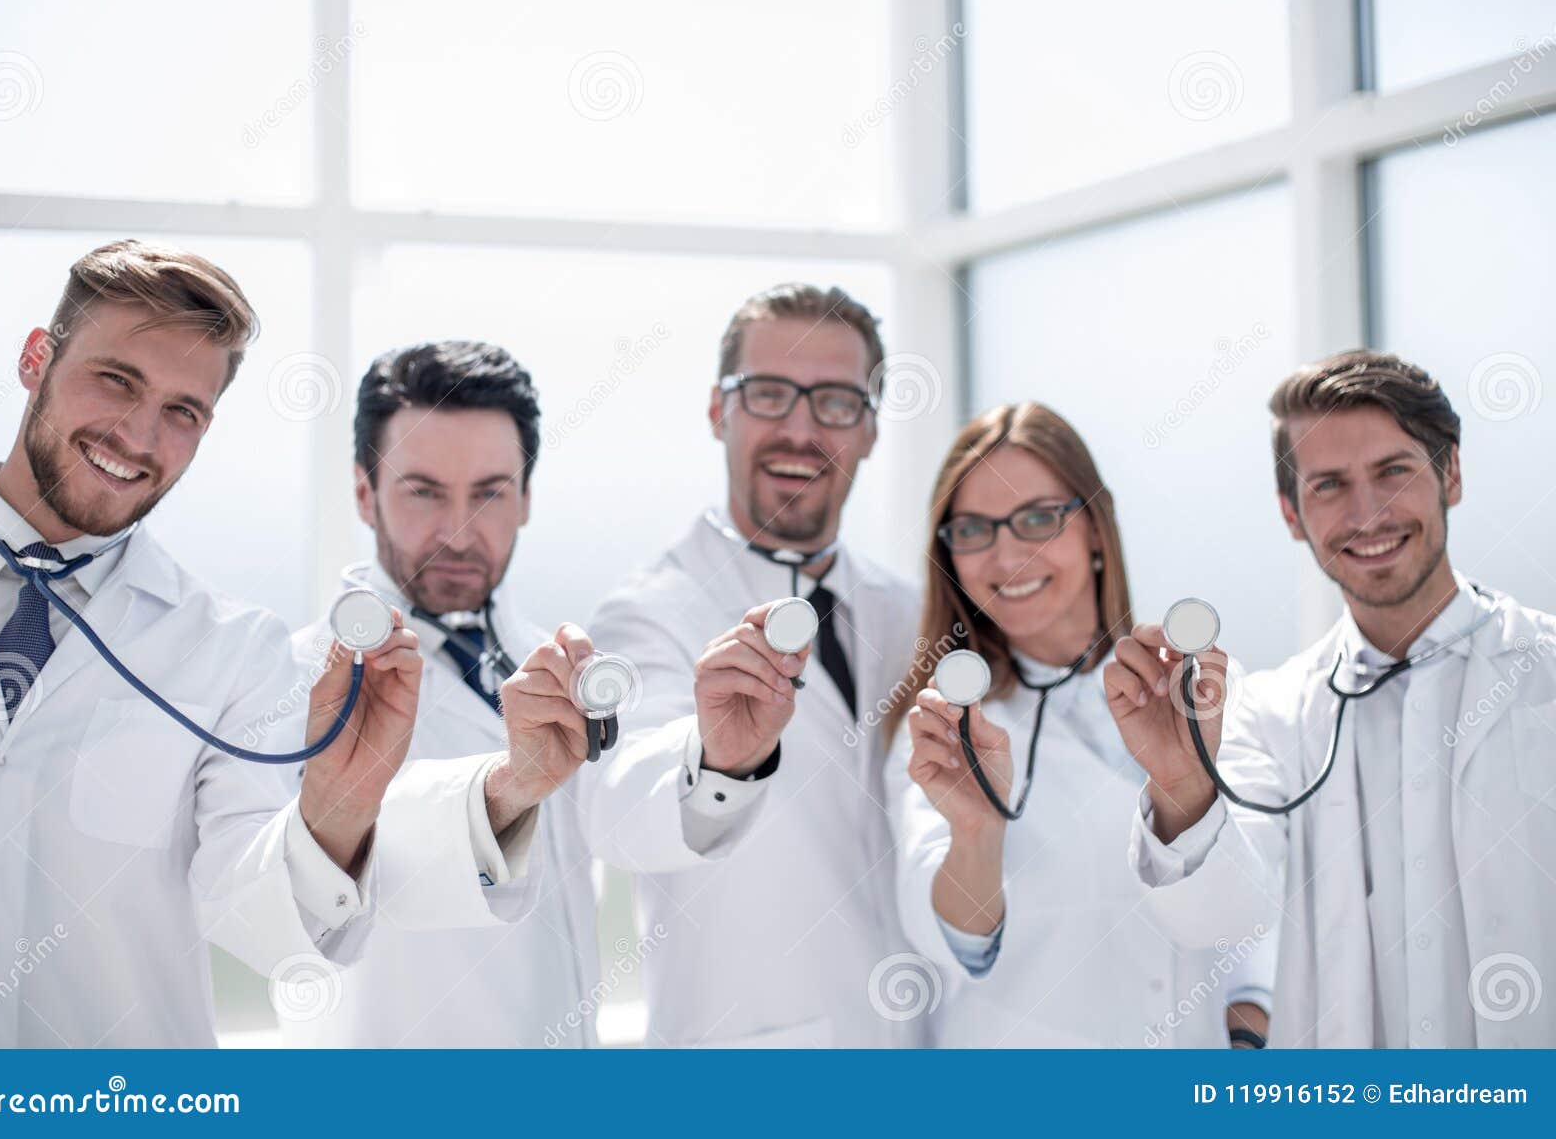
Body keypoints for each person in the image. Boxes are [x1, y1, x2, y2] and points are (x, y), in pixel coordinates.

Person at [0, 240, 421, 1048]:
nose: (139, 436)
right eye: (116, 379)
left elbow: (258, 919)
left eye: (183, 411)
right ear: (37, 358)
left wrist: (337, 808)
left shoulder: (233, 652)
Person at [1110, 350, 1556, 1047]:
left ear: (1453, 474)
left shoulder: (1544, 673)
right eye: (1328, 485)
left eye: (1393, 471)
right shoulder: (1270, 711)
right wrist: (1181, 784)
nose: (1366, 512)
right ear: (1292, 514)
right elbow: (1219, 916)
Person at [583, 283, 923, 1047]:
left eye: (836, 401)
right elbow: (617, 810)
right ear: (718, 411)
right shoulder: (650, 612)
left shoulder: (911, 614)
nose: (800, 429)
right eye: (769, 394)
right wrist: (720, 760)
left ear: (869, 428)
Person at [884, 402, 1274, 1047]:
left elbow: (1256, 908)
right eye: (974, 529)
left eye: (1037, 519)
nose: (1007, 554)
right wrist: (977, 833)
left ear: (1095, 526)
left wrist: (1250, 1023)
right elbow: (949, 942)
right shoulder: (942, 725)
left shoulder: (1199, 692)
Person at [276, 341, 601, 1047]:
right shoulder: (293, 681)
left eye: (489, 492)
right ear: (365, 493)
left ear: (526, 498)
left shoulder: (549, 661)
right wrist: (505, 790)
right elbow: (309, 906)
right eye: (422, 490)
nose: (457, 531)